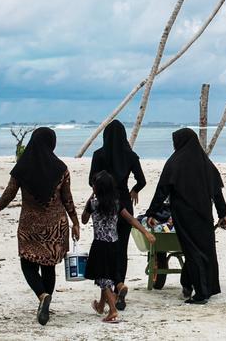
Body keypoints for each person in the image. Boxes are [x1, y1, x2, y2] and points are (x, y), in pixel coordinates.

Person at [0, 127, 79, 326]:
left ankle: (42, 296)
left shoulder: (23, 167)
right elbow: (67, 198)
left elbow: (10, 192)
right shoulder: (61, 168)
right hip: (56, 226)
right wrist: (75, 221)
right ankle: (46, 298)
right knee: (48, 267)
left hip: (30, 225)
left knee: (27, 264)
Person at [145, 128, 226, 304]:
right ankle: (203, 287)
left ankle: (201, 294)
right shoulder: (205, 163)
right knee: (206, 250)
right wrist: (223, 213)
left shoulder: (174, 163)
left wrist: (152, 213)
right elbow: (216, 192)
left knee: (192, 252)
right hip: (205, 214)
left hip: (184, 216)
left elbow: (162, 191)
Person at [82, 171, 154, 323]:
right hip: (115, 244)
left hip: (100, 244)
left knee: (102, 278)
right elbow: (131, 219)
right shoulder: (116, 202)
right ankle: (102, 305)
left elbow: (83, 219)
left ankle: (113, 311)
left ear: (97, 188)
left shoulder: (94, 203)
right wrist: (146, 232)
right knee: (108, 275)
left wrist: (90, 197)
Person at [88, 120, 146, 310]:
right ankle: (119, 284)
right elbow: (142, 180)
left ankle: (113, 290)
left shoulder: (99, 154)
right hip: (125, 205)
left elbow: (91, 180)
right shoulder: (130, 155)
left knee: (106, 248)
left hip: (105, 204)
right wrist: (134, 189)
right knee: (120, 249)